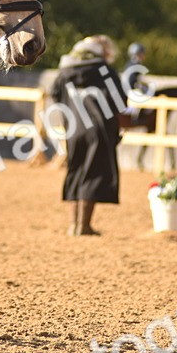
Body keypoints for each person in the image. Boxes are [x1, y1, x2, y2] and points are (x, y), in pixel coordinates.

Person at [51, 35, 125, 236]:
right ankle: (84, 226)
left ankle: (73, 225)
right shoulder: (105, 71)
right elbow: (120, 102)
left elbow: (55, 94)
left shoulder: (65, 71)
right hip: (99, 129)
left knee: (75, 171)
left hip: (73, 129)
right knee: (93, 174)